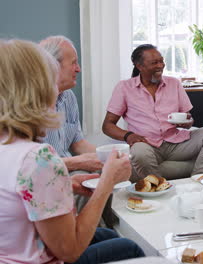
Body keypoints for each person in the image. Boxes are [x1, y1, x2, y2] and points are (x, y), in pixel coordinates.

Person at [0, 39, 145, 263]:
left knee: (107, 235)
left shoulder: (8, 146)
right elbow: (70, 251)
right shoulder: (38, 159)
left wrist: (67, 183)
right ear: (36, 89)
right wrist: (106, 183)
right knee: (129, 247)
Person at [102, 44, 203, 180]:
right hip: (147, 145)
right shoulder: (124, 88)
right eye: (154, 63)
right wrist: (128, 136)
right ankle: (158, 185)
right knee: (139, 152)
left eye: (161, 61)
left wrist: (188, 122)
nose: (160, 66)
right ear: (139, 66)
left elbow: (189, 119)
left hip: (177, 143)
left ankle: (199, 178)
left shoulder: (174, 83)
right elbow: (108, 125)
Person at [39, 36, 103, 174]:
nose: (78, 69)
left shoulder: (68, 97)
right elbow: (32, 164)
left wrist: (108, 157)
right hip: (43, 174)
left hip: (67, 168)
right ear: (53, 65)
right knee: (91, 180)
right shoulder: (26, 103)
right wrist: (79, 162)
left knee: (108, 172)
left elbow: (77, 143)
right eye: (74, 63)